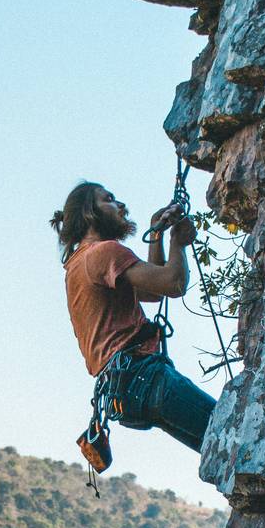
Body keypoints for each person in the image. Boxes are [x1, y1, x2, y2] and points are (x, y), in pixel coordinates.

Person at [49, 181, 216, 453]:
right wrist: (178, 242)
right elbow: (172, 284)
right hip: (143, 376)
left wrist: (157, 234)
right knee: (228, 433)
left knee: (219, 450)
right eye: (109, 199)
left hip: (125, 393)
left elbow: (152, 292)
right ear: (90, 212)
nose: (120, 205)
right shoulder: (103, 252)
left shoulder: (78, 265)